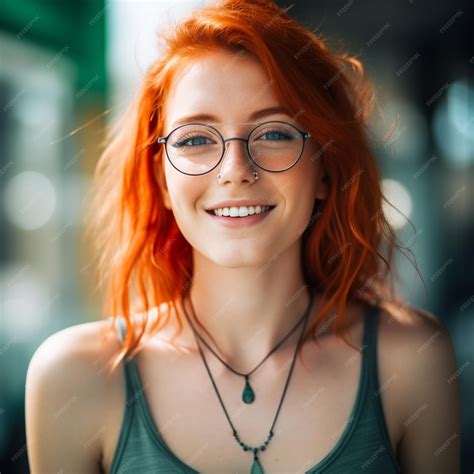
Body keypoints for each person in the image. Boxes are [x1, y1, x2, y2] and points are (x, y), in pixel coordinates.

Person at [25, 1, 461, 473]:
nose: (235, 171)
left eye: (274, 133)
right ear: (163, 180)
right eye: (195, 139)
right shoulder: (75, 378)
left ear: (323, 171)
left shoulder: (412, 360)